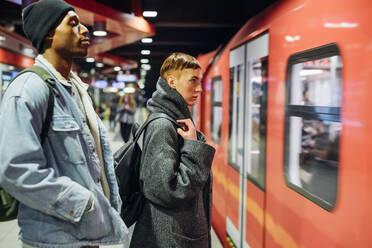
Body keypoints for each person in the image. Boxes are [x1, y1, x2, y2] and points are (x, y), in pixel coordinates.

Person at [0, 0, 128, 247]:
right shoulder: (29, 89)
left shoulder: (75, 89)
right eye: (73, 23)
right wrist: (83, 202)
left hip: (85, 234)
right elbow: (16, 169)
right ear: (48, 33)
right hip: (53, 239)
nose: (85, 30)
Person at [130, 52, 216, 248]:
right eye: (193, 81)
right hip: (170, 238)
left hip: (174, 234)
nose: (199, 89)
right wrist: (194, 148)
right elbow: (168, 190)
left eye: (200, 81)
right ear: (172, 82)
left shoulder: (173, 120)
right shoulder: (163, 125)